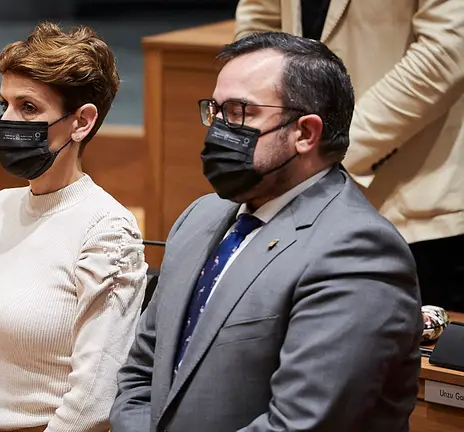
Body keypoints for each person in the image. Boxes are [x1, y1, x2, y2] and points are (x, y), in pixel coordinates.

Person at [110, 32, 423, 431]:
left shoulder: (357, 251)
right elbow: (140, 373)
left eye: (241, 112)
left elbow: (300, 423)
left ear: (306, 133)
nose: (219, 129)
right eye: (216, 111)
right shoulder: (200, 217)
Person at [0, 22, 148, 432]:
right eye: (4, 105)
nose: (8, 121)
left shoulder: (107, 230)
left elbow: (95, 395)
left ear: (81, 122)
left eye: (29, 108)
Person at [234, 0, 464, 311]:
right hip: (294, 185)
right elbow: (260, 19)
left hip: (413, 197)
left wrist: (329, 149)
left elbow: (447, 49)